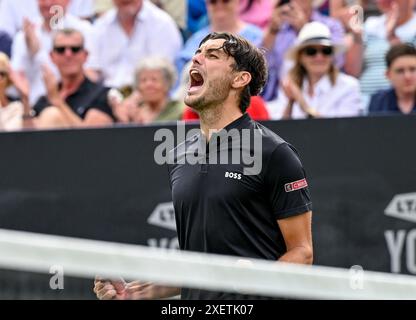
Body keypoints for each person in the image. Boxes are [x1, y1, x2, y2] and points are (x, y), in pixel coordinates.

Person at [94, 32, 313, 300]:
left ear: (240, 78)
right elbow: (197, 268)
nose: (196, 58)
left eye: (212, 55)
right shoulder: (178, 156)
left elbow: (302, 253)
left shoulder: (275, 153)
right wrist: (132, 294)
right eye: (198, 52)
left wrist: (259, 276)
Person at [267, 21, 363, 119]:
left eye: (326, 51)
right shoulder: (290, 87)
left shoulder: (348, 86)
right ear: (300, 57)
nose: (319, 57)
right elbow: (280, 129)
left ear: (332, 56)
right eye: (311, 51)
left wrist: (304, 105)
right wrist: (290, 102)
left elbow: (345, 130)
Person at [261, 0, 345, 101]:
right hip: (278, 98)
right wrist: (272, 30)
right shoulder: (278, 28)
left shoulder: (331, 25)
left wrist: (304, 29)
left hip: (322, 95)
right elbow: (262, 67)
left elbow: (337, 61)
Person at [31, 28, 114, 129]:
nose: (68, 55)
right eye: (61, 50)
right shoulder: (45, 99)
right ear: (52, 56)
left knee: (51, 114)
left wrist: (58, 102)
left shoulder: (101, 94)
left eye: (75, 49)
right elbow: (27, 139)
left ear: (85, 55)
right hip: (44, 144)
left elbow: (92, 138)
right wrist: (25, 99)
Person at [110, 57, 184, 124]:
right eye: (143, 80)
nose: (148, 85)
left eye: (154, 80)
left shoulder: (180, 111)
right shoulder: (132, 112)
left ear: (167, 84)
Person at [368, 42, 416, 114]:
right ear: (388, 75)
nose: (407, 76)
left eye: (412, 69)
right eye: (400, 71)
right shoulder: (379, 101)